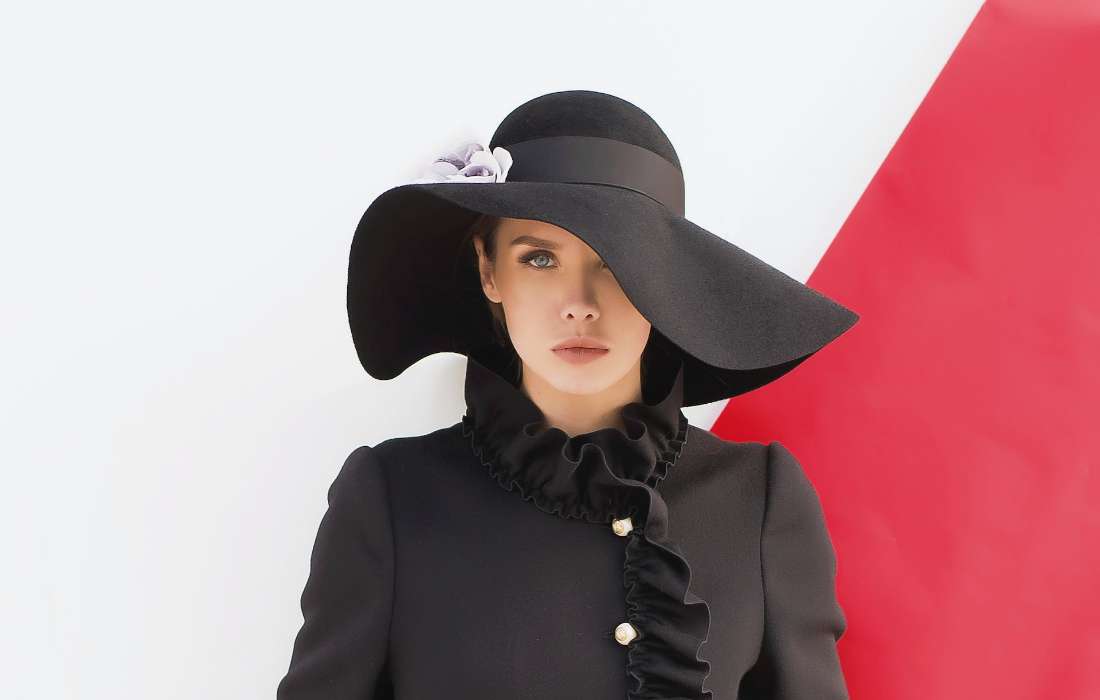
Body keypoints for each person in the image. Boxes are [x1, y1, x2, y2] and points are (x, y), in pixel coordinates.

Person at [276, 89, 859, 699]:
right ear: (488, 271)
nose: (579, 304)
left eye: (614, 261)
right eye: (539, 259)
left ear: (666, 277)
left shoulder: (760, 499)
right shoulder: (392, 498)